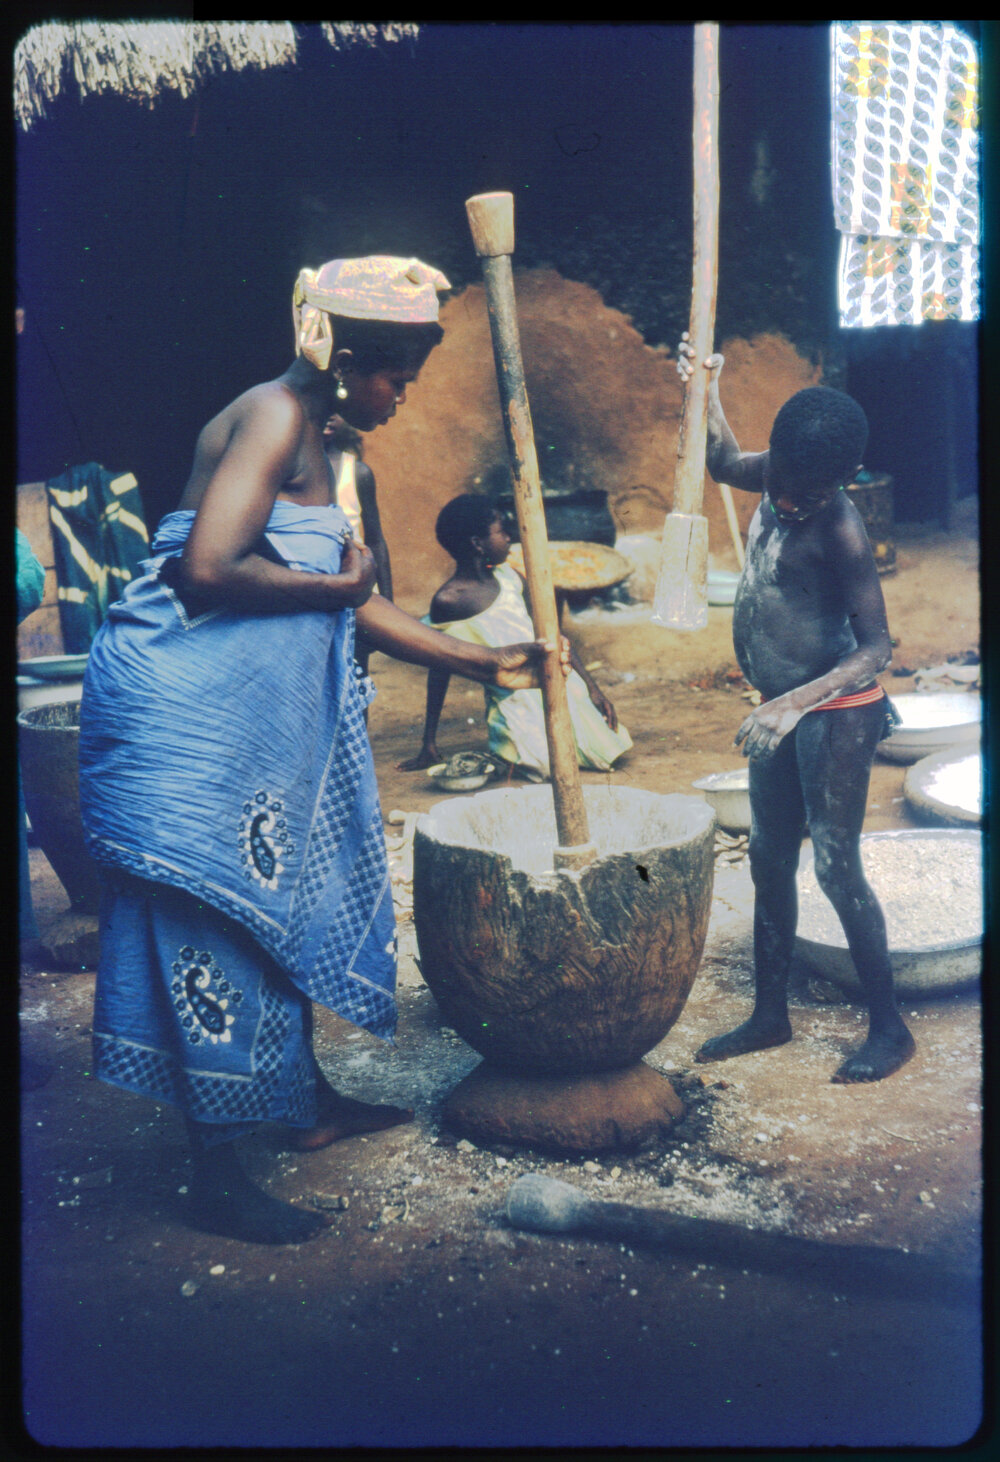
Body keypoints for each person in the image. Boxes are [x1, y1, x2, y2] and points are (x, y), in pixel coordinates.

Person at [78, 256, 567, 1245]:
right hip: (185, 714)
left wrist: (487, 662)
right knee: (213, 918)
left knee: (278, 899)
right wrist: (337, 595)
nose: (402, 394)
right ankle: (217, 1167)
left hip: (245, 725)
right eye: (395, 373)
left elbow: (365, 601)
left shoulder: (335, 450)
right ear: (345, 357)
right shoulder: (271, 415)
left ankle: (306, 1110)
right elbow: (208, 566)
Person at [677, 333, 914, 1085]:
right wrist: (705, 390)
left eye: (810, 492)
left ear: (843, 481)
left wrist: (794, 704)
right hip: (781, 707)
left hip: (839, 706)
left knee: (836, 866)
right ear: (776, 454)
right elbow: (716, 461)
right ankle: (769, 1015)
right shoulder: (776, 472)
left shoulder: (840, 526)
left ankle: (890, 1029)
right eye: (784, 480)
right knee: (770, 859)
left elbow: (875, 646)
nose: (789, 500)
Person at [398, 494, 632, 780]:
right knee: (543, 767)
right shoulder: (450, 601)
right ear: (477, 543)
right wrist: (429, 742)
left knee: (602, 750)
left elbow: (553, 635)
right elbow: (440, 665)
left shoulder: (509, 577)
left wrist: (593, 689)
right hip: (514, 702)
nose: (509, 537)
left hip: (558, 684)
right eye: (501, 532)